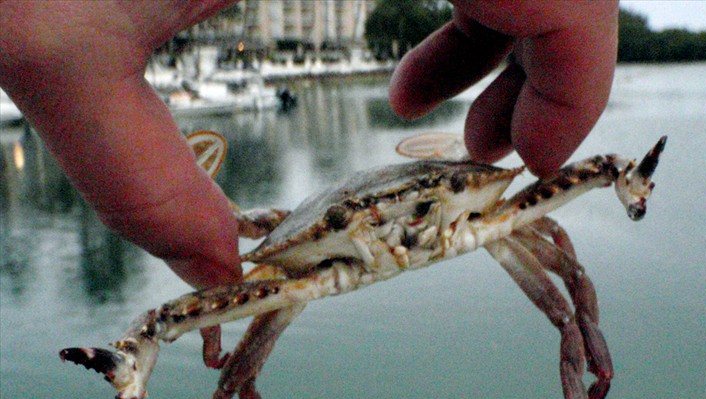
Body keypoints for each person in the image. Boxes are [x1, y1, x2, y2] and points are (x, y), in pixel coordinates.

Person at [0, 0, 619, 291]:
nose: (388, 230)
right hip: (318, 245)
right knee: (233, 386)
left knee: (568, 292)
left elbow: (602, 179)